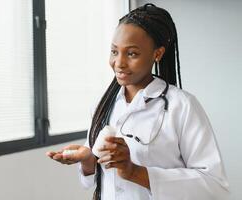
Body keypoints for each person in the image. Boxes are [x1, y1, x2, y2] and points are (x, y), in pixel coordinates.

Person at [46, 3, 229, 200]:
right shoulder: (103, 103)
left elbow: (215, 185)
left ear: (157, 54)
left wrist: (135, 172)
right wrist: (88, 159)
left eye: (132, 53)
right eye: (115, 51)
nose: (119, 63)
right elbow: (92, 181)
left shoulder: (182, 106)